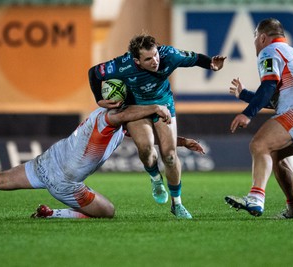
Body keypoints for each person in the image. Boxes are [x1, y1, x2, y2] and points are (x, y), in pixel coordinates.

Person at [0, 104, 205, 219]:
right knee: (108, 212)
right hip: (65, 184)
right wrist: (155, 107)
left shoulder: (111, 119)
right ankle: (53, 214)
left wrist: (180, 142)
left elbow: (141, 135)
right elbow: (126, 116)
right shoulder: (111, 117)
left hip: (46, 162)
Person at [88, 34, 226, 219]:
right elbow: (94, 73)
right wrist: (99, 99)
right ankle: (155, 178)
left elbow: (194, 58)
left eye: (155, 55)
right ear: (136, 60)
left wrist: (211, 64)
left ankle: (177, 204)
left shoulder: (169, 55)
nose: (155, 61)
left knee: (169, 156)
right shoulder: (122, 65)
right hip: (136, 106)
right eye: (148, 59)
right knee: (145, 148)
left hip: (164, 104)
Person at [224, 18, 293, 219]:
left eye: (255, 38)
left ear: (262, 37)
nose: (255, 43)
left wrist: (247, 113)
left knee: (259, 144)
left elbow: (269, 85)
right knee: (274, 155)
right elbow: (275, 99)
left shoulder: (268, 51)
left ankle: (255, 198)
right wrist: (244, 94)